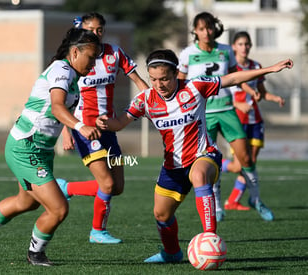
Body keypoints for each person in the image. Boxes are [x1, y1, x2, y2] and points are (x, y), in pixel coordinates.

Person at [96, 49, 292, 263]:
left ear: (176, 74)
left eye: (164, 79)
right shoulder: (145, 99)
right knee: (161, 214)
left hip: (204, 155)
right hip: (173, 166)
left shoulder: (194, 87)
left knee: (199, 175)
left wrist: (271, 69)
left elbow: (233, 78)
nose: (159, 84)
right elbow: (120, 123)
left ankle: (211, 239)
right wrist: (105, 122)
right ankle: (172, 253)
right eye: (153, 79)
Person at [0, 28, 101, 267]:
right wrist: (79, 127)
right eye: (91, 57)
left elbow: (56, 112)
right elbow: (58, 107)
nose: (93, 64)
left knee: (26, 202)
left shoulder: (72, 76)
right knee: (58, 209)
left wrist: (77, 127)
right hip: (25, 147)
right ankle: (35, 254)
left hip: (41, 150)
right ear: (75, 51)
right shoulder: (62, 69)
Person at [57, 12, 149, 244]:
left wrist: (154, 99)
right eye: (91, 29)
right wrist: (66, 130)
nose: (96, 34)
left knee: (117, 187)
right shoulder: (74, 59)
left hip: (110, 128)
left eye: (100, 30)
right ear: (82, 29)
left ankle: (67, 188)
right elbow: (62, 100)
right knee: (106, 183)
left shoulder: (114, 52)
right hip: (85, 129)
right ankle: (97, 231)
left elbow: (138, 81)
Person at [177, 11, 273, 222]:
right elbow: (180, 85)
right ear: (195, 31)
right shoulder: (187, 54)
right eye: (201, 28)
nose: (206, 32)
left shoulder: (226, 50)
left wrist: (250, 92)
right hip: (202, 115)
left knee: (246, 157)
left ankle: (255, 200)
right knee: (209, 161)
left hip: (227, 110)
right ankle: (218, 206)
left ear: (215, 28)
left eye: (209, 27)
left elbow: (236, 78)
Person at [223, 31, 286, 212]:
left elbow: (261, 92)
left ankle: (234, 200)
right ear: (234, 46)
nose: (245, 47)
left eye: (247, 44)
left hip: (255, 120)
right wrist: (237, 104)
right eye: (241, 44)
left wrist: (275, 98)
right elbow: (221, 94)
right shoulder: (228, 67)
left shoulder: (255, 66)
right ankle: (215, 163)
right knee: (238, 165)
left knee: (250, 163)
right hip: (235, 120)